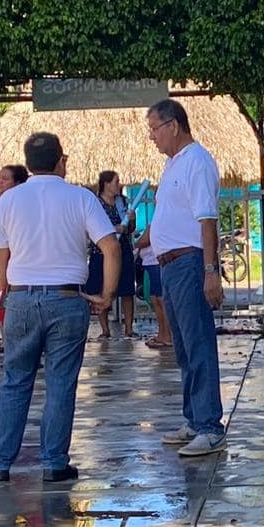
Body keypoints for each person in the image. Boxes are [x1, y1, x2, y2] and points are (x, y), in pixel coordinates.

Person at [0, 133, 119, 483]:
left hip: (22, 297)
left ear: (27, 163)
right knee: (60, 383)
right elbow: (111, 247)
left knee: (15, 380)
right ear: (61, 160)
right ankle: (54, 462)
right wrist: (106, 295)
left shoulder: (9, 200)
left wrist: (6, 290)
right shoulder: (81, 198)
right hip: (67, 299)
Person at [142, 98, 227, 456]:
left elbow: (207, 219)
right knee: (182, 346)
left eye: (154, 129)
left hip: (190, 263)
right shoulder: (173, 165)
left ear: (173, 125)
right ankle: (194, 418)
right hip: (170, 265)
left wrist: (210, 271)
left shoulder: (197, 162)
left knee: (198, 343)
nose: (153, 138)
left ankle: (209, 425)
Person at [86, 170, 136, 339]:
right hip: (100, 251)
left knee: (128, 290)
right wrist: (113, 229)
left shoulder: (122, 202)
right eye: (115, 182)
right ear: (105, 184)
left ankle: (129, 328)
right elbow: (90, 227)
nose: (118, 185)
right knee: (100, 289)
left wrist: (131, 221)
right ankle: (105, 329)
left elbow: (130, 229)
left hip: (123, 250)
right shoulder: (95, 203)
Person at [137, 228, 171, 349]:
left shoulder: (156, 220)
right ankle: (162, 333)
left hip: (155, 261)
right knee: (155, 299)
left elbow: (145, 240)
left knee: (160, 300)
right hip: (150, 262)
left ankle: (167, 335)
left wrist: (136, 243)